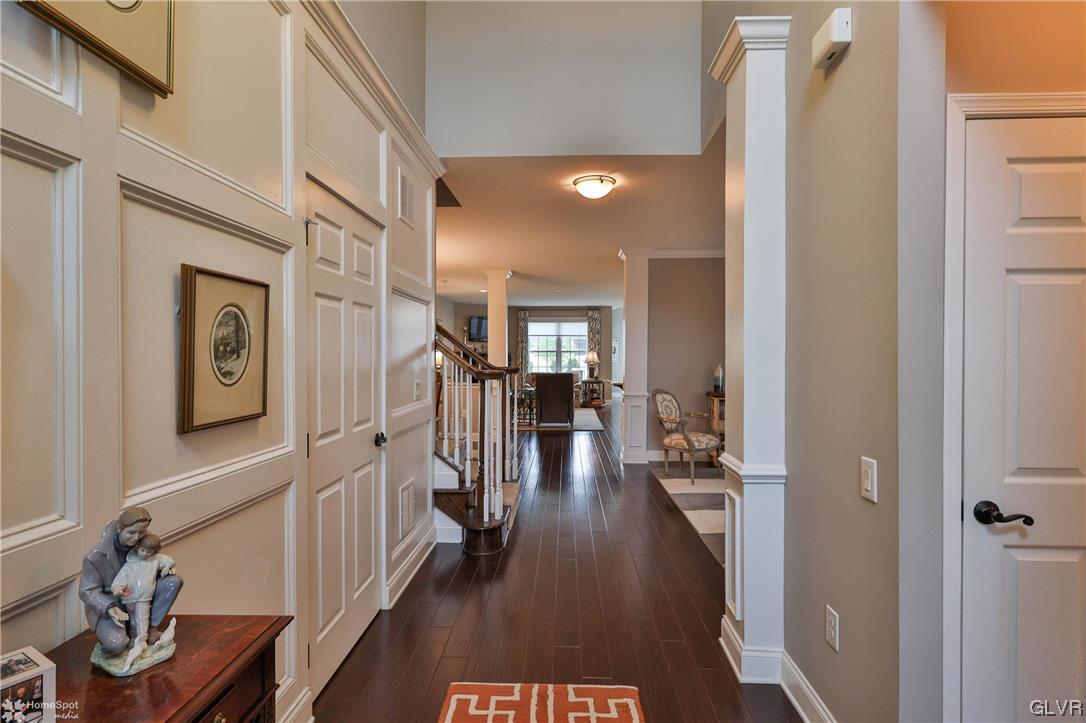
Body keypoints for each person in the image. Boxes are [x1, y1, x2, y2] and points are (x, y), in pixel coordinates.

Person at [78, 507, 183, 657]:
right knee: (115, 645)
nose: (136, 538)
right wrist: (109, 606)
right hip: (114, 603)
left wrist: (166, 568)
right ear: (119, 528)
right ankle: (123, 637)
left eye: (141, 532)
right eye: (131, 533)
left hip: (141, 595)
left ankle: (150, 629)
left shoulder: (144, 544)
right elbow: (87, 591)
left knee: (173, 582)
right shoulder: (95, 557)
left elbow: (153, 564)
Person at [110, 533, 176, 669]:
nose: (145, 554)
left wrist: (167, 568)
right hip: (129, 598)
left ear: (154, 551)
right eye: (143, 550)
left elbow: (168, 560)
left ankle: (142, 640)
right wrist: (119, 589)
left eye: (149, 552)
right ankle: (134, 638)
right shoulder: (129, 565)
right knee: (133, 619)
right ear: (137, 547)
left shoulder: (155, 559)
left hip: (144, 597)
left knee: (142, 618)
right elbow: (117, 582)